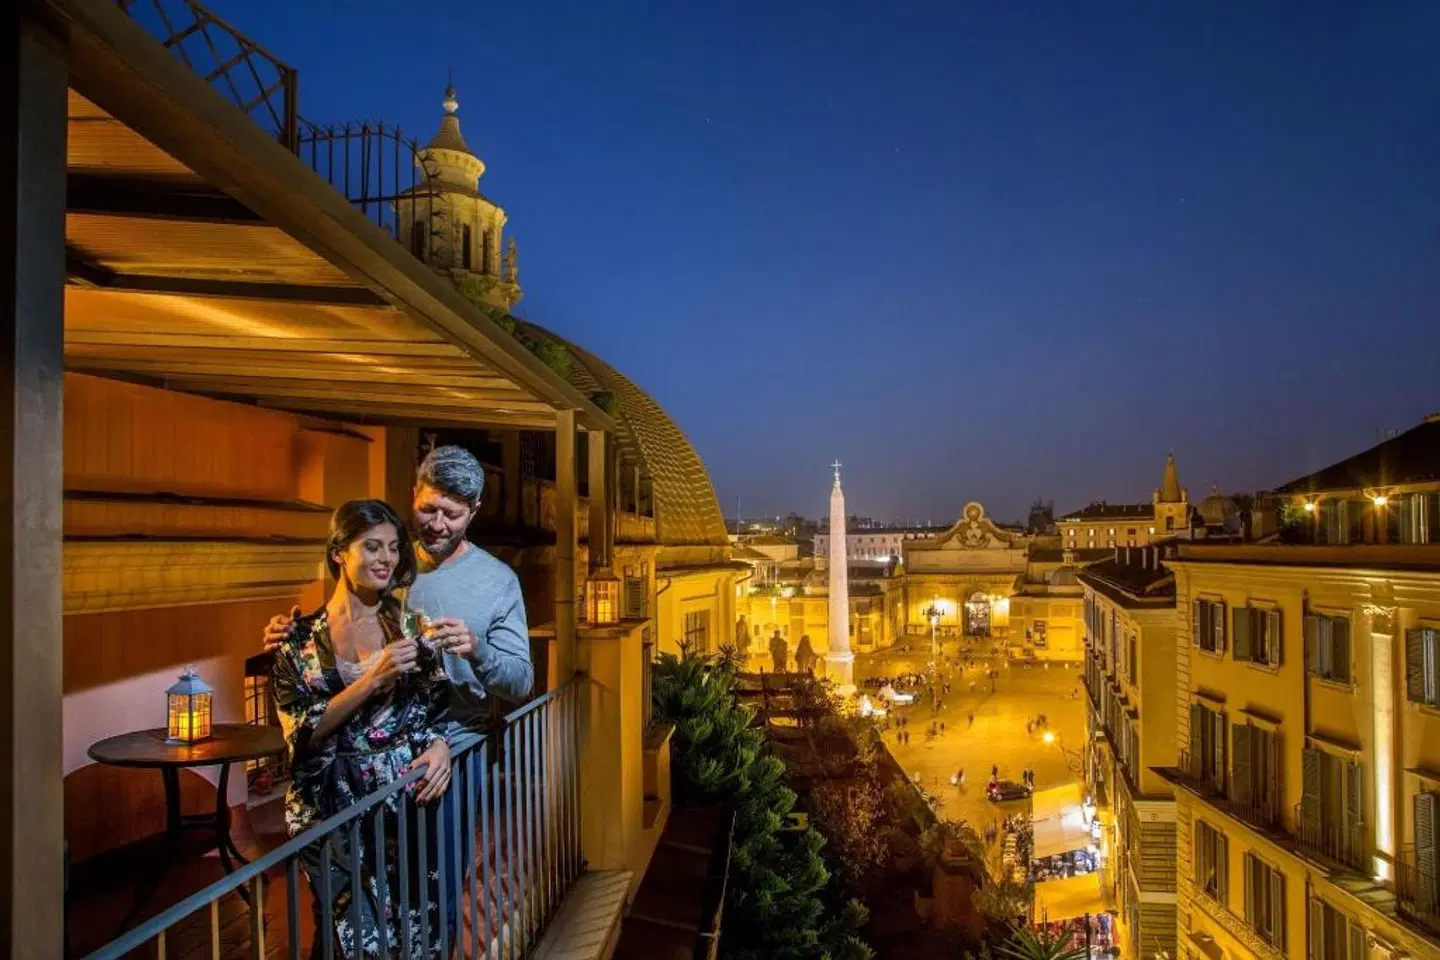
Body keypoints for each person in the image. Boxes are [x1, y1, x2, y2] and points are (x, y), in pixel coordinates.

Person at [264, 446, 533, 939]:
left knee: (429, 895)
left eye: (452, 514)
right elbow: (343, 620)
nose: (436, 523)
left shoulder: (497, 582)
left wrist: (476, 651)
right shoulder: (386, 551)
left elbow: (519, 681)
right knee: (351, 914)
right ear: (414, 493)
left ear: (473, 512)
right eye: (428, 508)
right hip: (351, 770)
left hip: (448, 750)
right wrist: (294, 632)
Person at [271, 499, 451, 958]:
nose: (385, 558)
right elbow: (302, 734)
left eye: (392, 547)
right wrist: (374, 678)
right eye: (371, 547)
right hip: (329, 813)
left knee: (415, 933)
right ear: (339, 552)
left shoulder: (412, 628)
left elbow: (435, 714)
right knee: (350, 938)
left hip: (405, 807)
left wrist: (440, 748)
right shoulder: (296, 641)